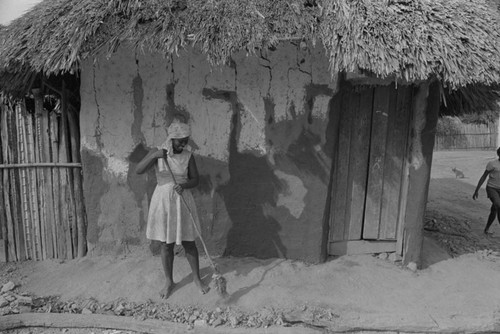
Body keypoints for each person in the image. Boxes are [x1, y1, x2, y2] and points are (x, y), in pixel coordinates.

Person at [136, 120, 209, 298]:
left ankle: (197, 279)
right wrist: (155, 156)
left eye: (186, 140)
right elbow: (139, 169)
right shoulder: (157, 152)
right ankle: (169, 281)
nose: (183, 144)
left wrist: (184, 184)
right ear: (171, 139)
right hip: (163, 200)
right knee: (165, 243)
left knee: (189, 241)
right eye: (180, 141)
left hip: (182, 198)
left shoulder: (188, 155)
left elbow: (195, 179)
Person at [473, 147, 500, 235]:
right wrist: (476, 190)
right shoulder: (492, 164)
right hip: (492, 188)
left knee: (494, 209)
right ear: (499, 154)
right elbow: (484, 176)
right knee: (498, 205)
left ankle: (487, 228)